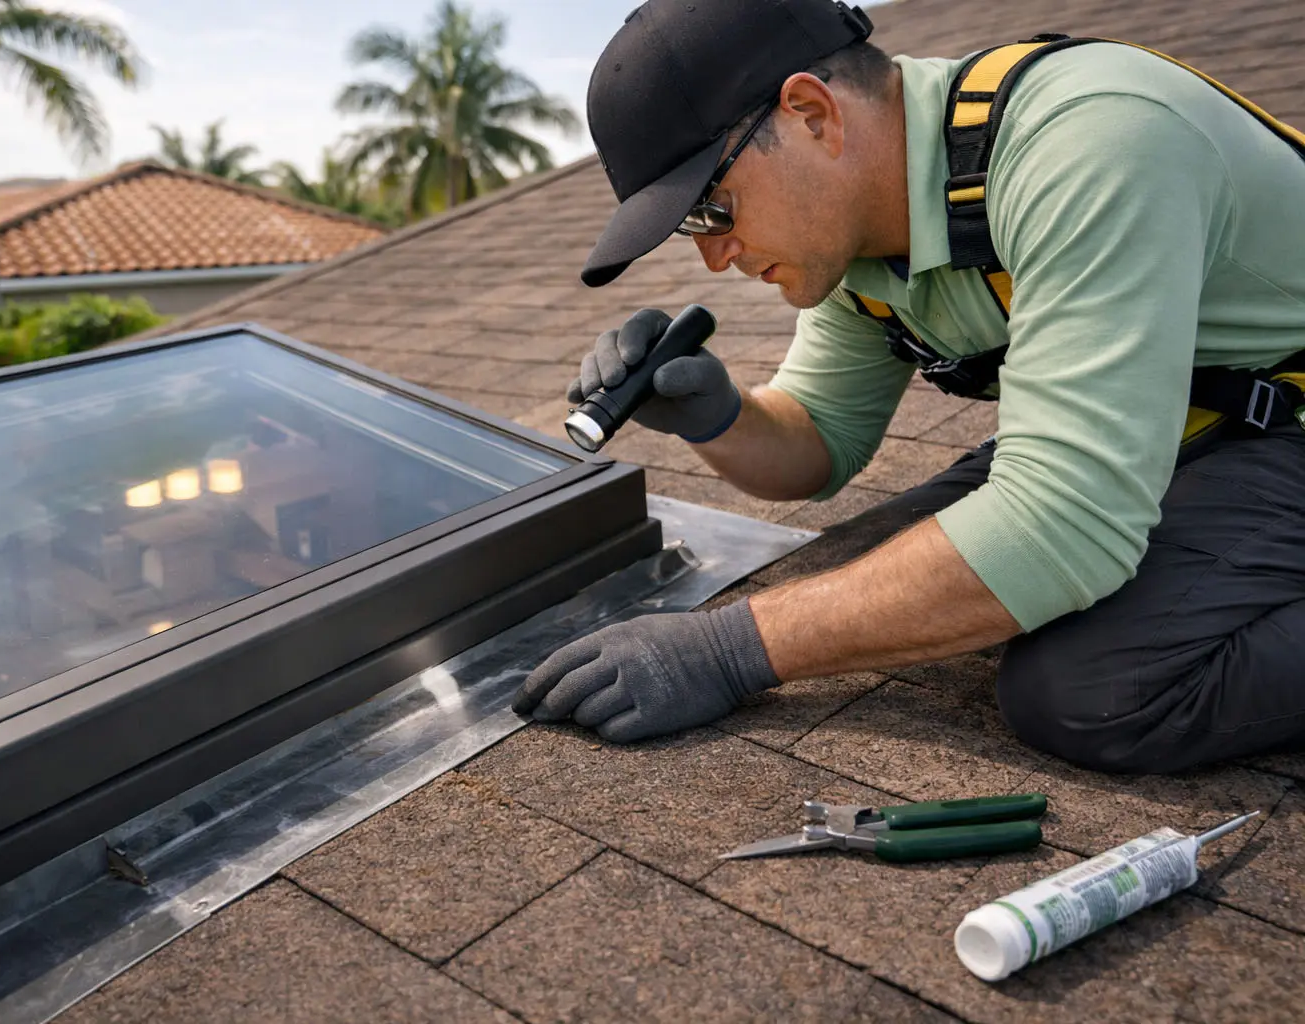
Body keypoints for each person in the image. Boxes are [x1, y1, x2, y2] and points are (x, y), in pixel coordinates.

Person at [511, 0, 1305, 774]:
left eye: (713, 211)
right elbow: (821, 440)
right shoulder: (864, 232)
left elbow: (1065, 521)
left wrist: (725, 651)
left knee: (1090, 692)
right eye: (692, 229)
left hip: (1285, 422)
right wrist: (717, 416)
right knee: (865, 565)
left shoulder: (1087, 140)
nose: (715, 259)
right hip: (1174, 421)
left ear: (812, 114)